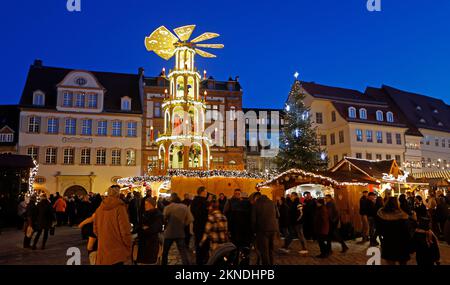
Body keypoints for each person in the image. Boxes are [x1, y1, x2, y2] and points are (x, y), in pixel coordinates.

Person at [94, 185, 132, 265]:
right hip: (117, 251)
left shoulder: (99, 209)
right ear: (118, 194)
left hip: (103, 250)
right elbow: (125, 231)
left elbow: (95, 230)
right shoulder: (120, 208)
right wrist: (129, 245)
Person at [376, 197, 411, 265]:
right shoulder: (402, 214)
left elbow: (379, 228)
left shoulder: (381, 214)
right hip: (401, 241)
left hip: (388, 240)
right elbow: (407, 230)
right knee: (402, 262)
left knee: (390, 261)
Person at [162, 193, 193, 265]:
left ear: (172, 199)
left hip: (169, 232)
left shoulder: (168, 207)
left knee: (165, 251)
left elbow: (163, 218)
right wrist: (184, 224)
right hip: (180, 232)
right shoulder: (184, 207)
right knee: (183, 252)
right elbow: (190, 219)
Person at [251, 191, 279, 265]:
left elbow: (253, 219)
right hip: (273, 229)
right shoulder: (272, 203)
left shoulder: (256, 204)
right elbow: (278, 215)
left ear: (256, 197)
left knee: (264, 251)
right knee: (271, 249)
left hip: (262, 230)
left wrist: (253, 230)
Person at [136, 197, 163, 265]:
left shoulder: (157, 214)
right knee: (143, 262)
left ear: (152, 205)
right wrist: (143, 228)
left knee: (150, 262)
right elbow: (140, 226)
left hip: (151, 243)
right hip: (143, 243)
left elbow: (155, 228)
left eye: (146, 204)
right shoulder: (145, 214)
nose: (145, 206)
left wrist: (144, 229)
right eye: (145, 204)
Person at [190, 186, 209, 265]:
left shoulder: (194, 201)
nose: (206, 193)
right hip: (204, 227)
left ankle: (199, 261)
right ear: (202, 192)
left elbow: (193, 212)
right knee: (205, 246)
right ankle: (204, 261)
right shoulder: (204, 202)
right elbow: (206, 214)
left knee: (198, 245)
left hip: (197, 226)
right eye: (206, 191)